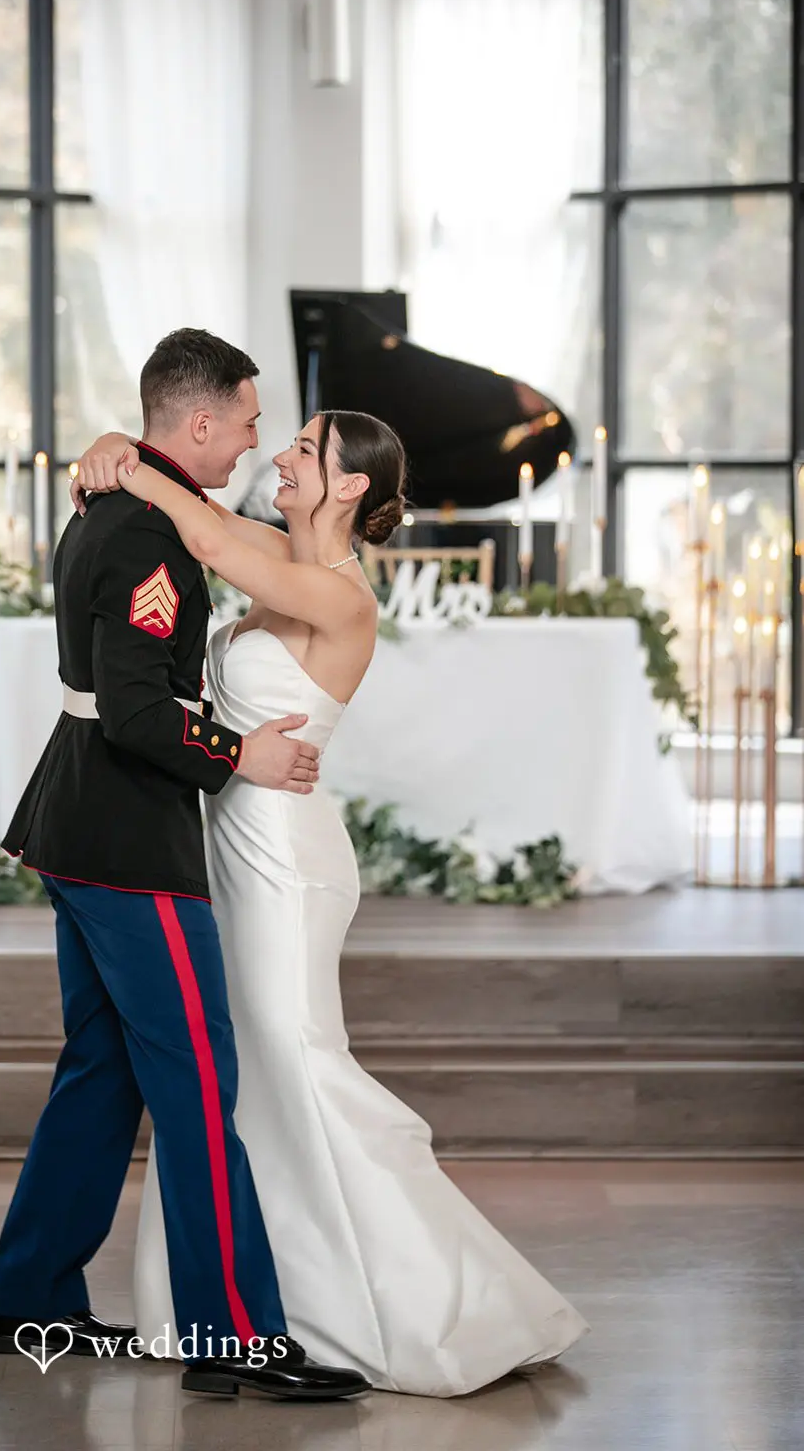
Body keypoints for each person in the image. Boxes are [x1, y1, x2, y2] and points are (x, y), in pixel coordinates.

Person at [72, 405, 589, 1397]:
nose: (281, 455)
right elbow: (213, 536)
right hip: (227, 847)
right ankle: (251, 1305)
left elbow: (207, 534)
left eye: (304, 449)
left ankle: (426, 1297)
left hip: (287, 863)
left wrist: (127, 462)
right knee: (243, 1074)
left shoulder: (339, 595)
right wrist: (115, 453)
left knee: (295, 1062)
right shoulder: (277, 549)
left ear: (350, 485)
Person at [0, 329, 369, 1403]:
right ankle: (233, 1336)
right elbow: (143, 714)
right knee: (199, 1084)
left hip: (81, 828)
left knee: (101, 1074)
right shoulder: (145, 535)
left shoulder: (135, 506)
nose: (254, 440)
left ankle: (27, 1299)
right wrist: (240, 753)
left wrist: (119, 446)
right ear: (198, 424)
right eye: (247, 422)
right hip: (126, 841)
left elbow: (157, 651)